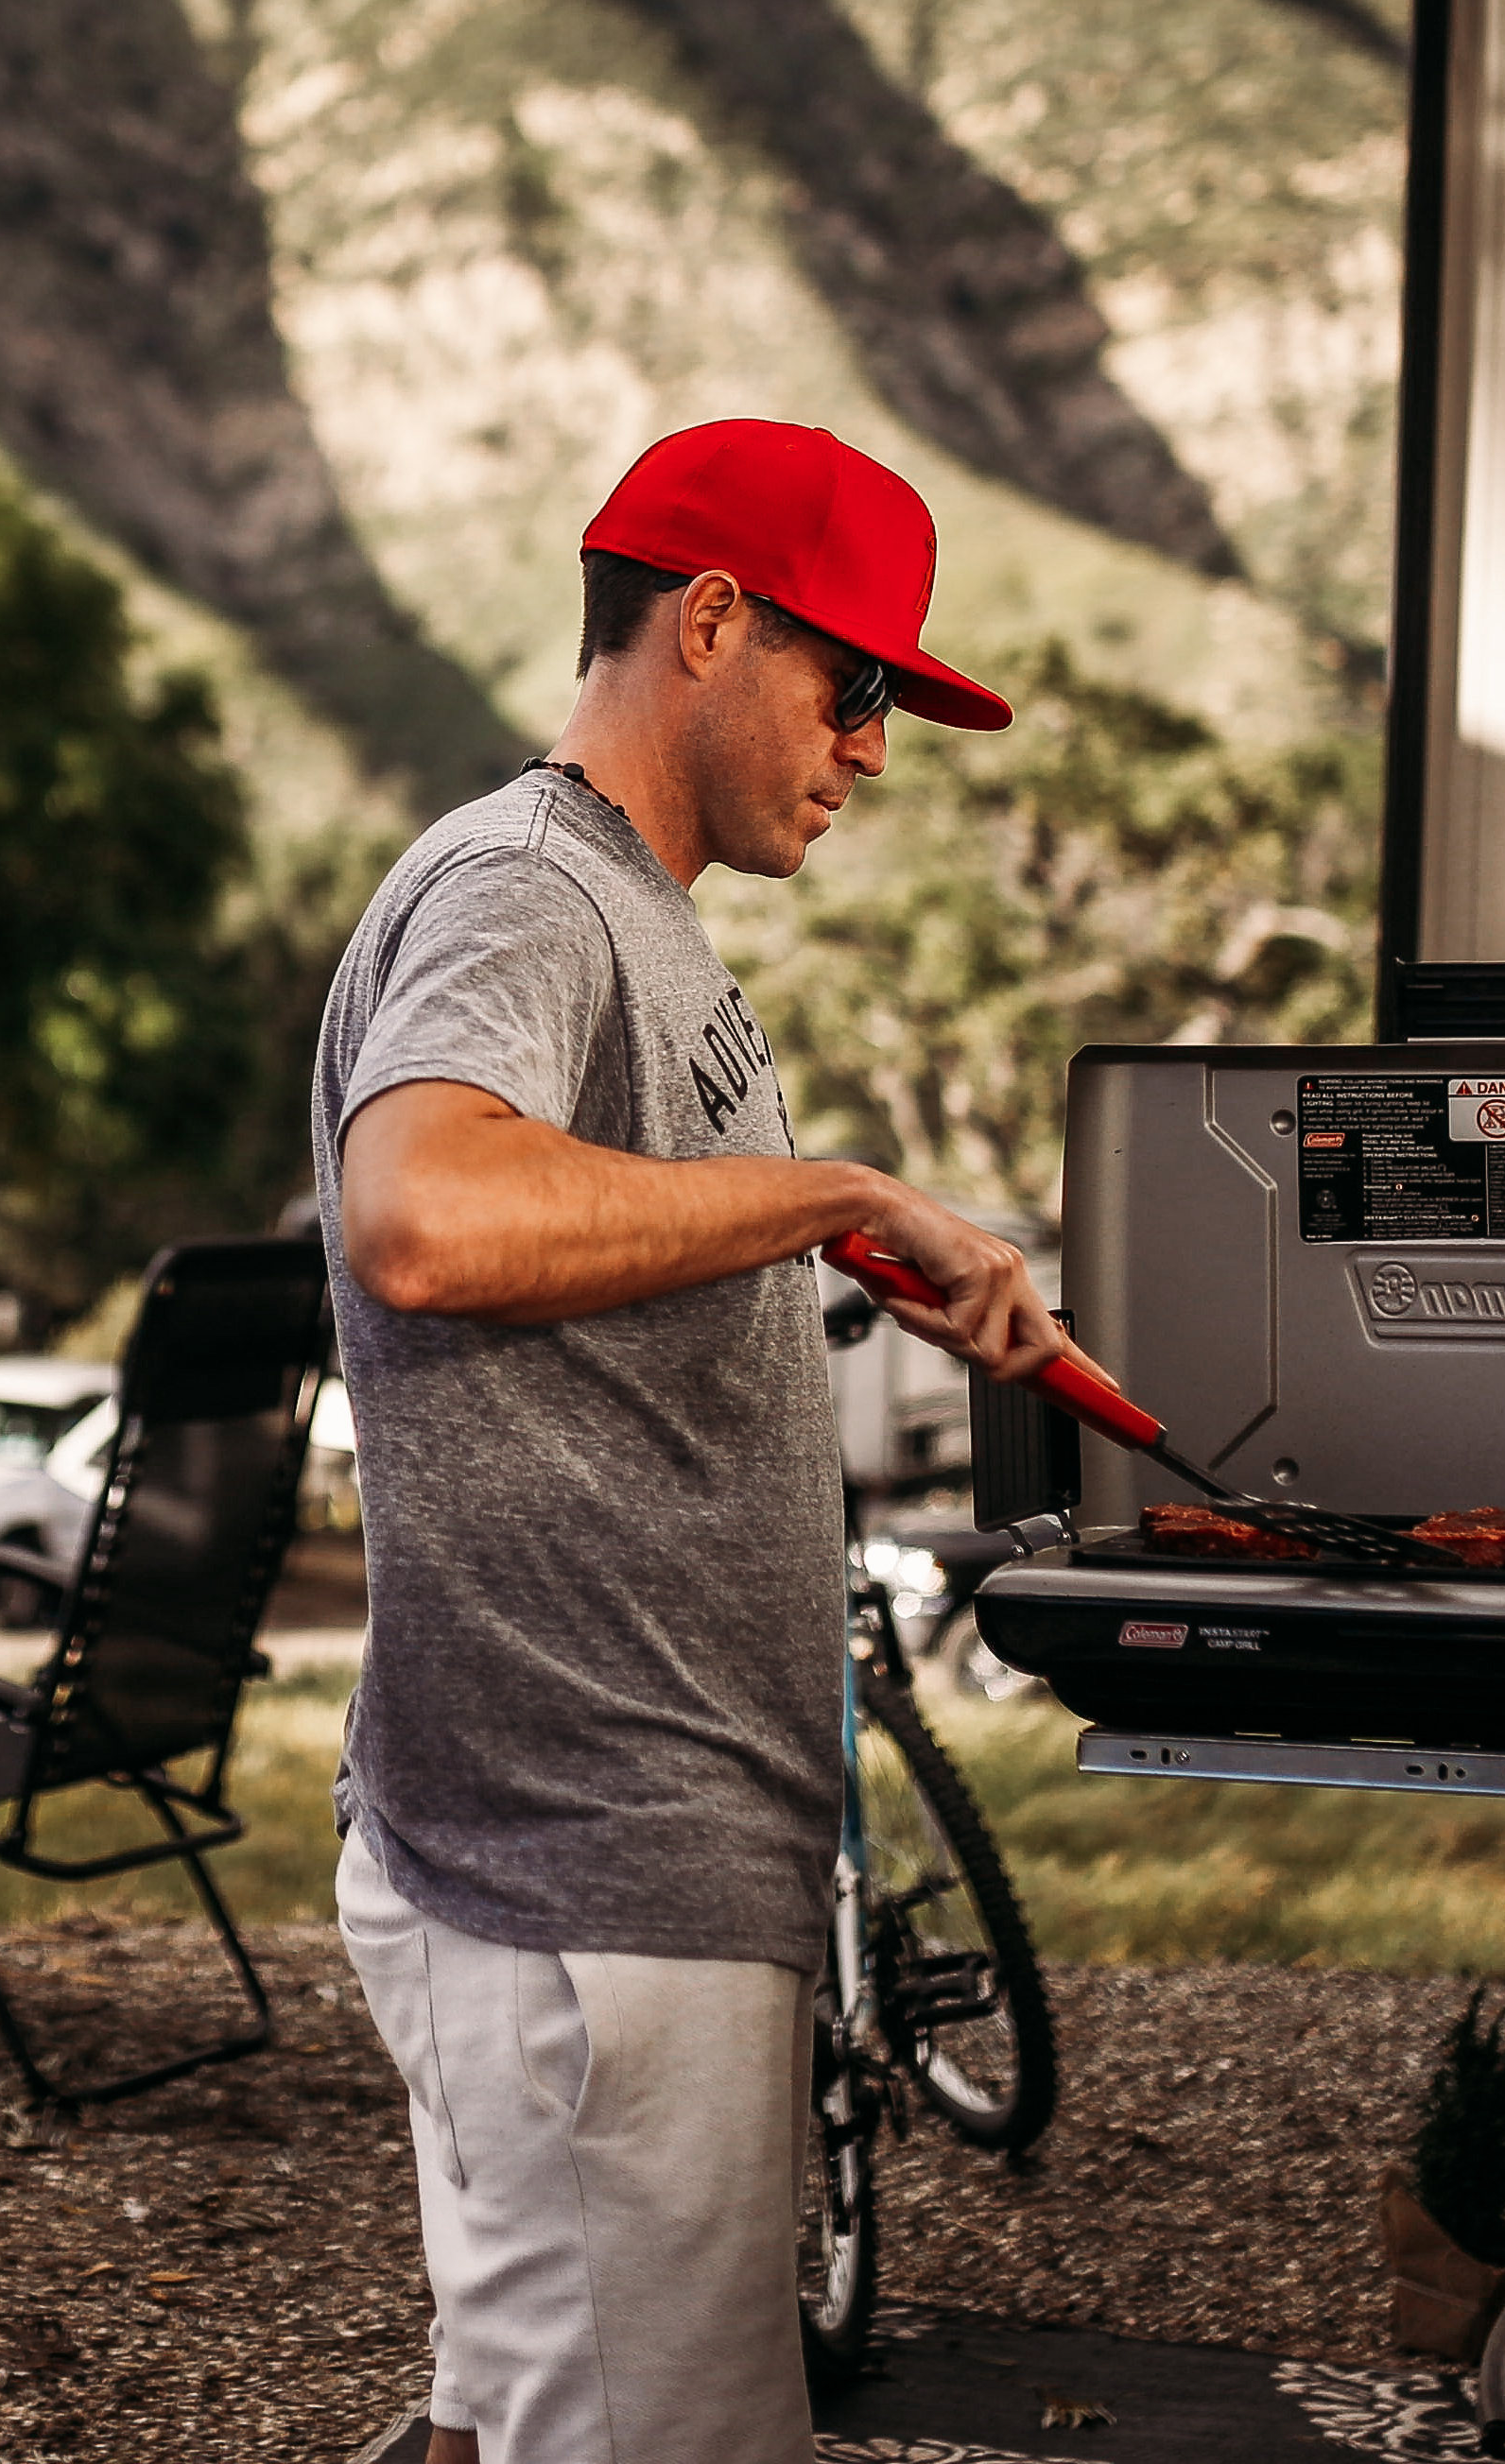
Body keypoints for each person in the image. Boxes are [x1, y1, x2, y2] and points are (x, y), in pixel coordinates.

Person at [316, 418, 1067, 2464]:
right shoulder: (527, 886)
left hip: (601, 1857)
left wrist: (815, 1255)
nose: (879, 751)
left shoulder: (632, 914)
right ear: (715, 622)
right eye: (862, 687)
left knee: (511, 2420)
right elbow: (420, 1218)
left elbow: (578, 1251)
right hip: (586, 1863)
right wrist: (834, 1194)